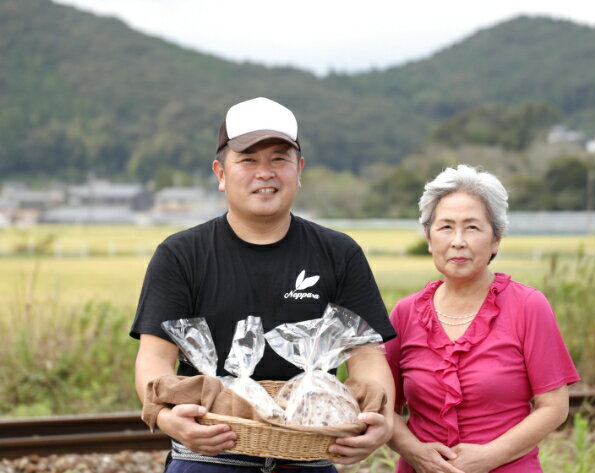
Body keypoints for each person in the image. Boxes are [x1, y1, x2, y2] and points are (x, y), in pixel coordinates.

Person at [131, 97, 396, 473]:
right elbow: (155, 357)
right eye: (248, 160)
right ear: (220, 173)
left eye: (278, 158)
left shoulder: (339, 253)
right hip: (207, 458)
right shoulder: (181, 254)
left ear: (299, 169)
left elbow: (368, 357)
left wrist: (378, 419)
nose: (265, 172)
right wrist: (162, 415)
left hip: (309, 459)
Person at [384, 164, 580, 473]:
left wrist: (489, 456)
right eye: (446, 227)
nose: (458, 241)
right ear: (429, 237)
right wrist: (415, 451)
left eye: (472, 227)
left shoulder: (528, 306)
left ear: (496, 238)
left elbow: (554, 407)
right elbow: (385, 407)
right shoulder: (405, 313)